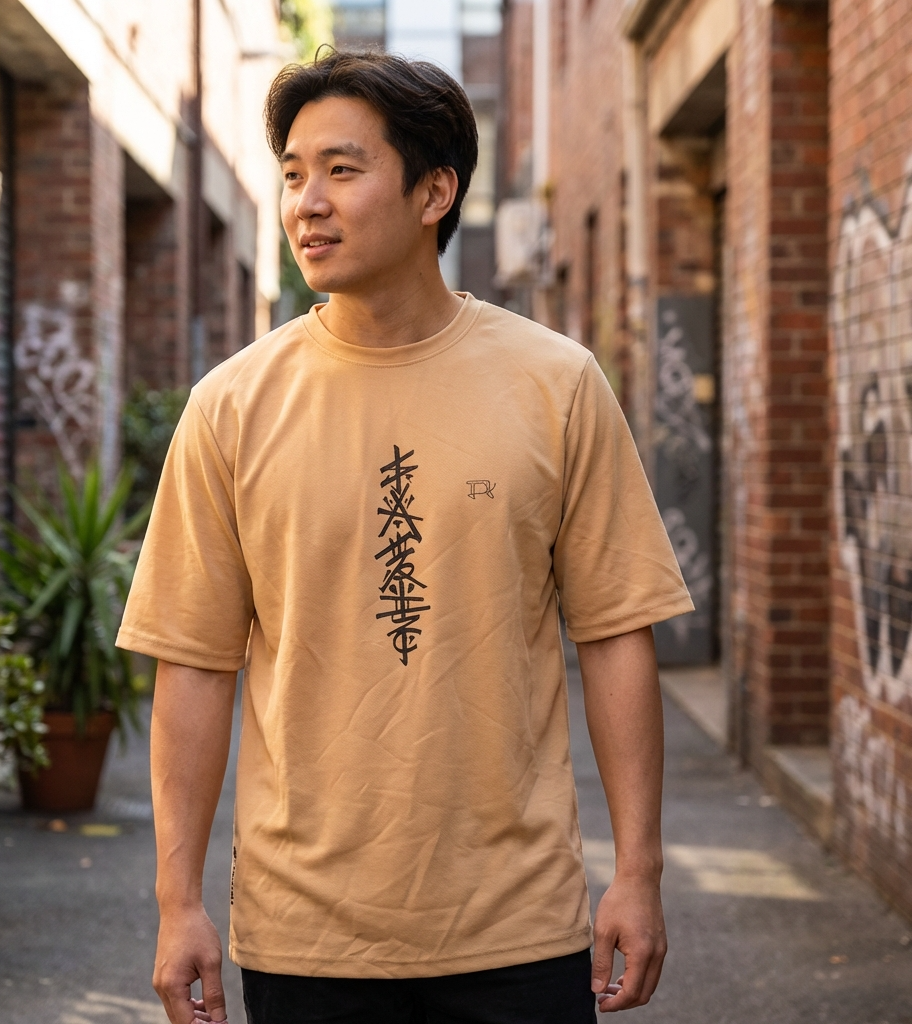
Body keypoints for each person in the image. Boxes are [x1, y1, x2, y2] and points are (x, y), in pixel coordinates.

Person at [117, 49, 693, 1024]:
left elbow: (614, 633)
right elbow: (195, 664)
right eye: (293, 174)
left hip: (517, 924)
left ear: (435, 191)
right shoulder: (232, 407)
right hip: (305, 932)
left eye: (341, 170)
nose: (307, 203)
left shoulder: (555, 384)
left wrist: (638, 874)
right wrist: (178, 904)